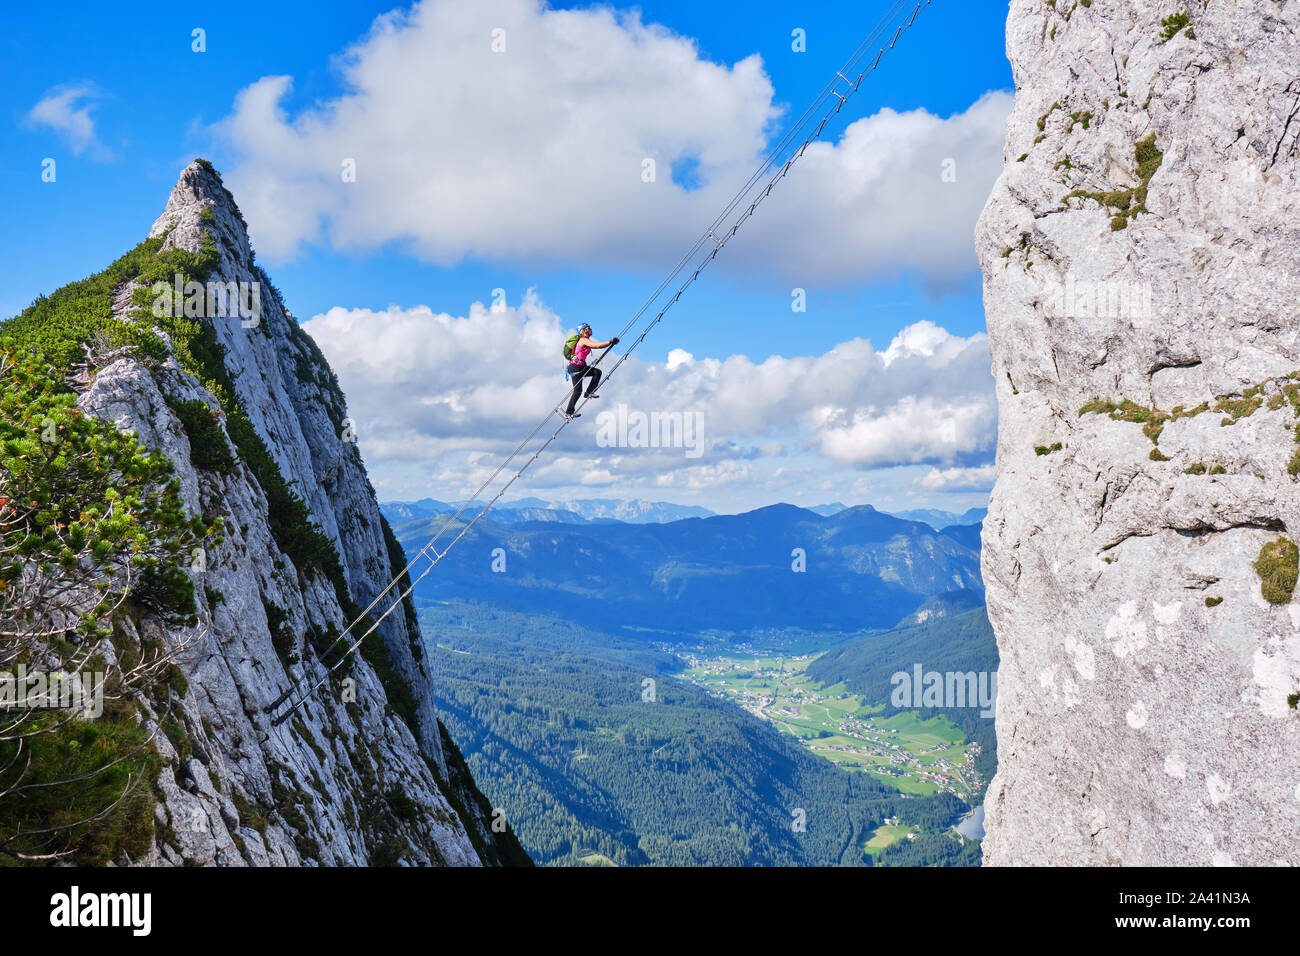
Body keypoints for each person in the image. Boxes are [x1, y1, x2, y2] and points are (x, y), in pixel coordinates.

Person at [564, 324, 618, 419]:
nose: (591, 329)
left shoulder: (585, 340)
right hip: (575, 367)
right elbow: (597, 346)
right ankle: (569, 411)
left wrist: (610, 343)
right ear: (584, 331)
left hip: (579, 367)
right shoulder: (583, 340)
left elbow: (597, 347)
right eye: (589, 328)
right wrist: (610, 341)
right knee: (578, 391)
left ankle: (588, 392)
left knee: (596, 373)